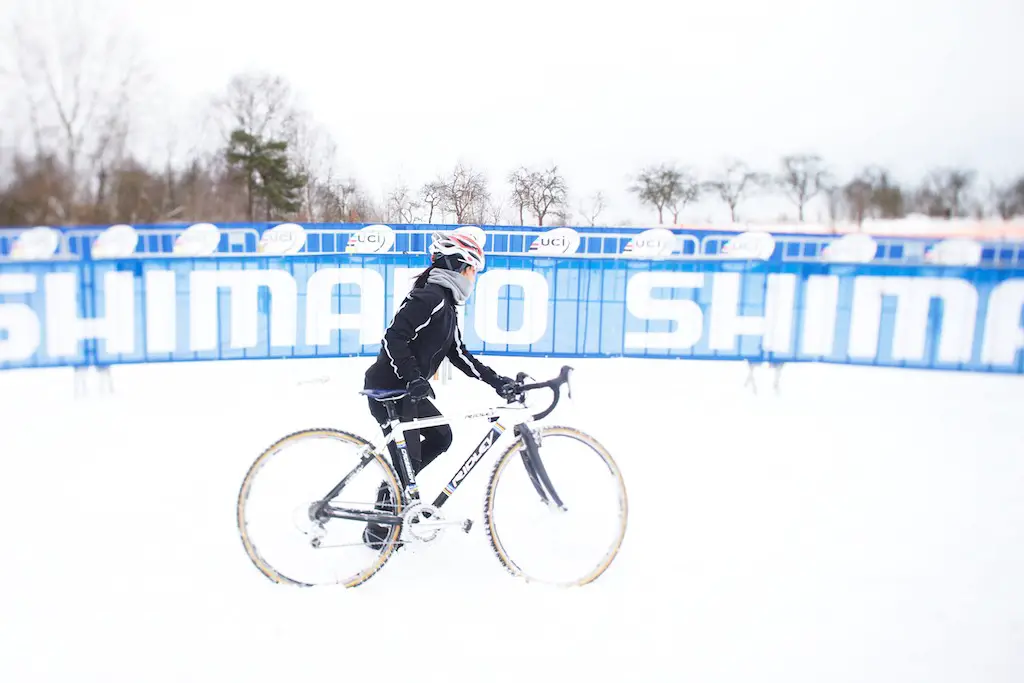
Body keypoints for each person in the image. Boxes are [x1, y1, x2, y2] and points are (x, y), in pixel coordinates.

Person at [361, 231, 518, 549]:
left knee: (441, 437)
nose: (474, 277)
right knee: (409, 468)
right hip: (391, 392)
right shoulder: (429, 297)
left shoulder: (445, 305)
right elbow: (394, 337)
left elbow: (458, 354)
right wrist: (413, 377)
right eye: (474, 270)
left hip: (407, 392)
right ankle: (378, 533)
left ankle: (392, 486)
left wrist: (497, 381)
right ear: (460, 266)